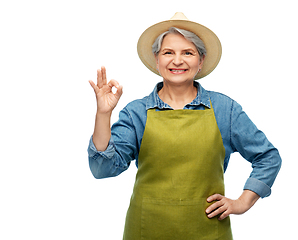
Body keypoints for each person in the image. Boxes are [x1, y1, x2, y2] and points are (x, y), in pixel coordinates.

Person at [88, 12, 281, 240]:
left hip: (209, 232)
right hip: (147, 230)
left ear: (200, 61)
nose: (177, 61)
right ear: (157, 60)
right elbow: (103, 169)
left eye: (187, 53)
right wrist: (103, 114)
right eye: (168, 52)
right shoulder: (137, 112)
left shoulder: (224, 109)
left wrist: (242, 202)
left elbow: (268, 157)